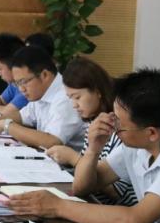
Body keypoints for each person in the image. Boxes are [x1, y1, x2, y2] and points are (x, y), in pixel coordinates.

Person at [8, 68, 160, 223]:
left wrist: (57, 206)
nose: (113, 126)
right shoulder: (138, 141)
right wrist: (93, 149)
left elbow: (135, 220)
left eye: (119, 123)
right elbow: (83, 187)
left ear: (151, 133)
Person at [45, 57, 137, 206]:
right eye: (70, 98)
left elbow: (115, 191)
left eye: (77, 97)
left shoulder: (123, 131)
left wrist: (74, 158)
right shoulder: (94, 123)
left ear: (97, 91)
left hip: (116, 209)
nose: (74, 105)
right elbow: (82, 184)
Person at [0, 46, 85, 150]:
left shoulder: (65, 96)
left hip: (68, 164)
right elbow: (22, 116)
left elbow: (52, 141)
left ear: (44, 75)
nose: (21, 89)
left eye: (24, 82)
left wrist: (6, 125)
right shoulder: (41, 92)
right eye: (18, 83)